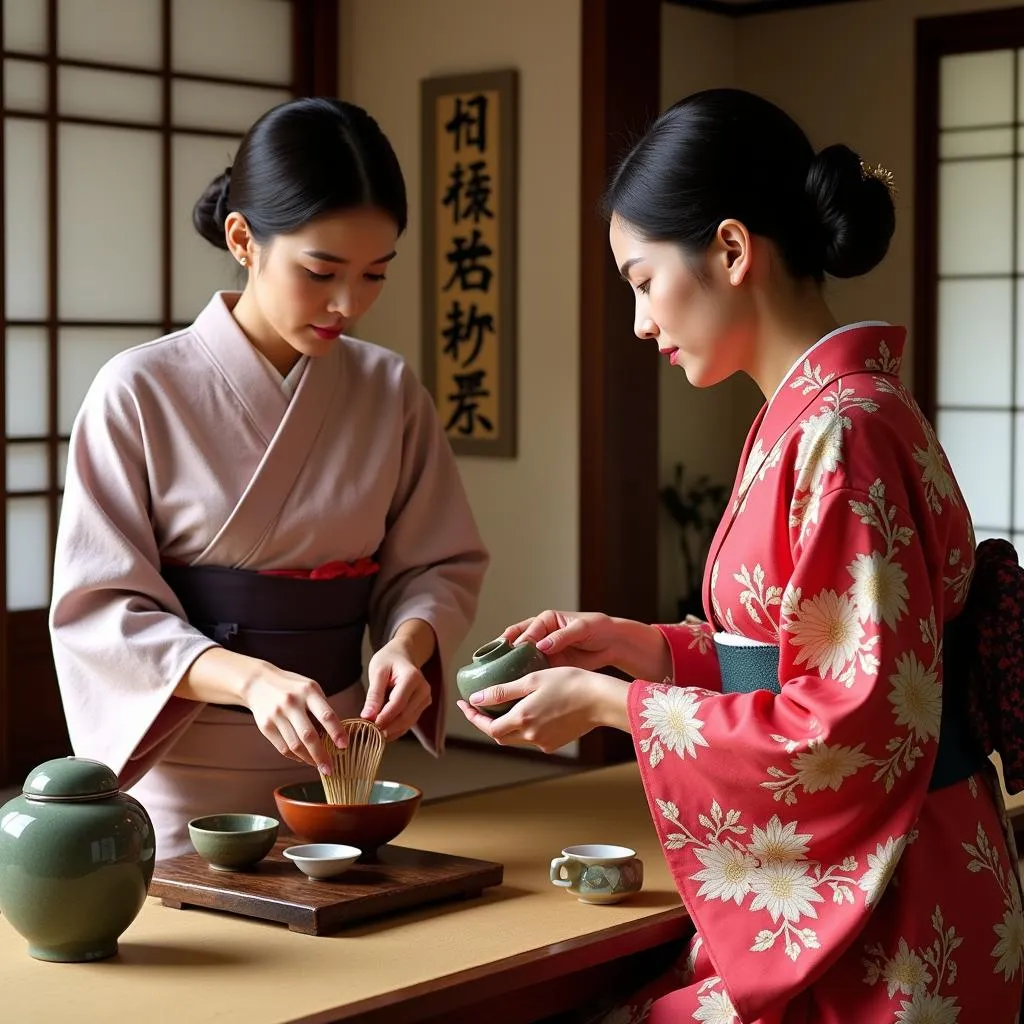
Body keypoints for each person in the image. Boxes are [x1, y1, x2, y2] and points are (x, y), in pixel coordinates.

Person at [460, 89, 1024, 1022]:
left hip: (898, 918)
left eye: (642, 281)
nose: (639, 321)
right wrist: (638, 649)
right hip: (901, 876)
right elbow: (808, 661)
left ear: (731, 249)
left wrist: (613, 704)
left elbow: (848, 730)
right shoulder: (814, 419)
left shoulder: (843, 434)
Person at [50, 97, 488, 860]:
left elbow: (437, 564)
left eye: (375, 274)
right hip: (188, 772)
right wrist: (250, 681)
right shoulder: (137, 391)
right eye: (320, 272)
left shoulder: (389, 390)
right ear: (243, 239)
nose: (348, 304)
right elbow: (100, 604)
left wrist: (408, 646)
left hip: (343, 773)